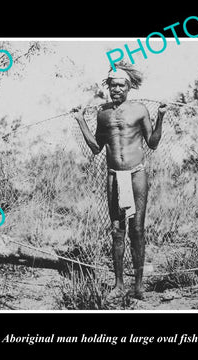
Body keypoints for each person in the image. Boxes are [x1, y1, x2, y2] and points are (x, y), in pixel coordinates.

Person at [73, 62, 167, 299]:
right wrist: (80, 120)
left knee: (137, 230)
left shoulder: (139, 109)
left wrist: (161, 117)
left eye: (121, 85)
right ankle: (118, 285)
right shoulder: (103, 114)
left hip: (136, 174)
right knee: (117, 230)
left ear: (128, 87)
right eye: (112, 85)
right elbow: (96, 148)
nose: (116, 89)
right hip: (114, 176)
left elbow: (153, 143)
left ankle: (138, 286)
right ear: (108, 87)